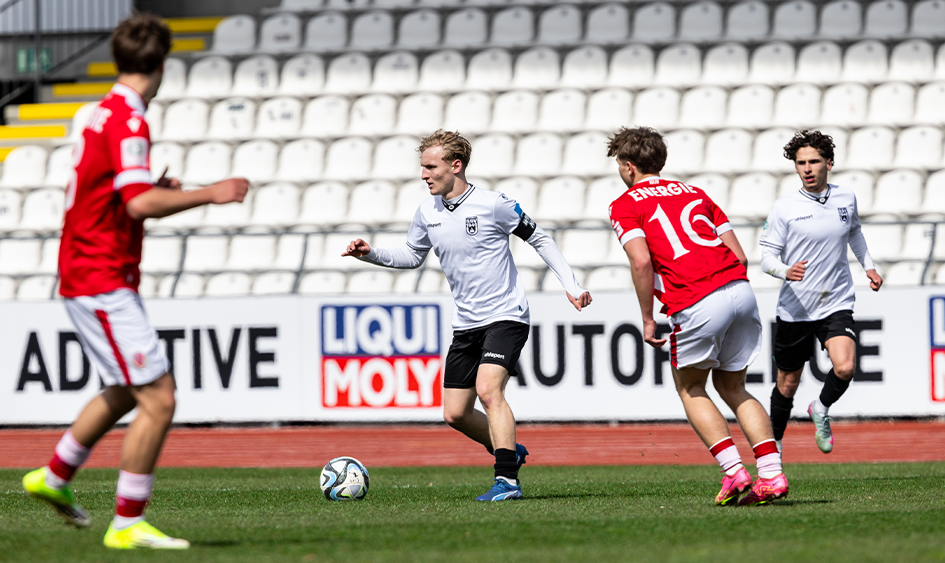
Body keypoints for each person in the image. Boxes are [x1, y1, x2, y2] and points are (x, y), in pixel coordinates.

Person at [21, 14, 249, 549]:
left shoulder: (95, 113)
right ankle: (127, 523)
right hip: (100, 272)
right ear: (163, 65)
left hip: (85, 266)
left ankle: (53, 476)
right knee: (160, 398)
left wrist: (152, 188)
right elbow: (139, 201)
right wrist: (208, 192)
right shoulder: (129, 121)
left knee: (127, 388)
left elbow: (117, 191)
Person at [342, 129, 591, 501]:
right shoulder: (427, 212)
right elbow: (412, 256)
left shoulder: (494, 204)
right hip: (466, 323)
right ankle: (509, 451)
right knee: (455, 414)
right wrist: (371, 253)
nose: (423, 174)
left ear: (455, 166)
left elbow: (539, 238)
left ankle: (506, 480)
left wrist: (570, 284)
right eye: (422, 167)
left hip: (506, 314)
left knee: (489, 390)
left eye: (431, 166)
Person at [607, 127, 787, 506]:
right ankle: (771, 476)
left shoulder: (625, 203)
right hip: (739, 288)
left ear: (627, 167)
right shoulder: (696, 193)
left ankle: (735, 472)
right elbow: (738, 254)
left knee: (690, 387)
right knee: (735, 387)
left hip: (695, 297)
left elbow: (641, 260)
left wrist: (647, 318)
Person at [761, 130, 882, 455]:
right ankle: (774, 448)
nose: (807, 168)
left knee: (844, 367)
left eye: (814, 161)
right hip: (796, 308)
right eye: (801, 163)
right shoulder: (784, 207)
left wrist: (868, 266)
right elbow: (766, 258)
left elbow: (854, 232)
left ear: (829, 163)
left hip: (836, 301)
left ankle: (821, 408)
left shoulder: (846, 197)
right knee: (787, 384)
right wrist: (784, 271)